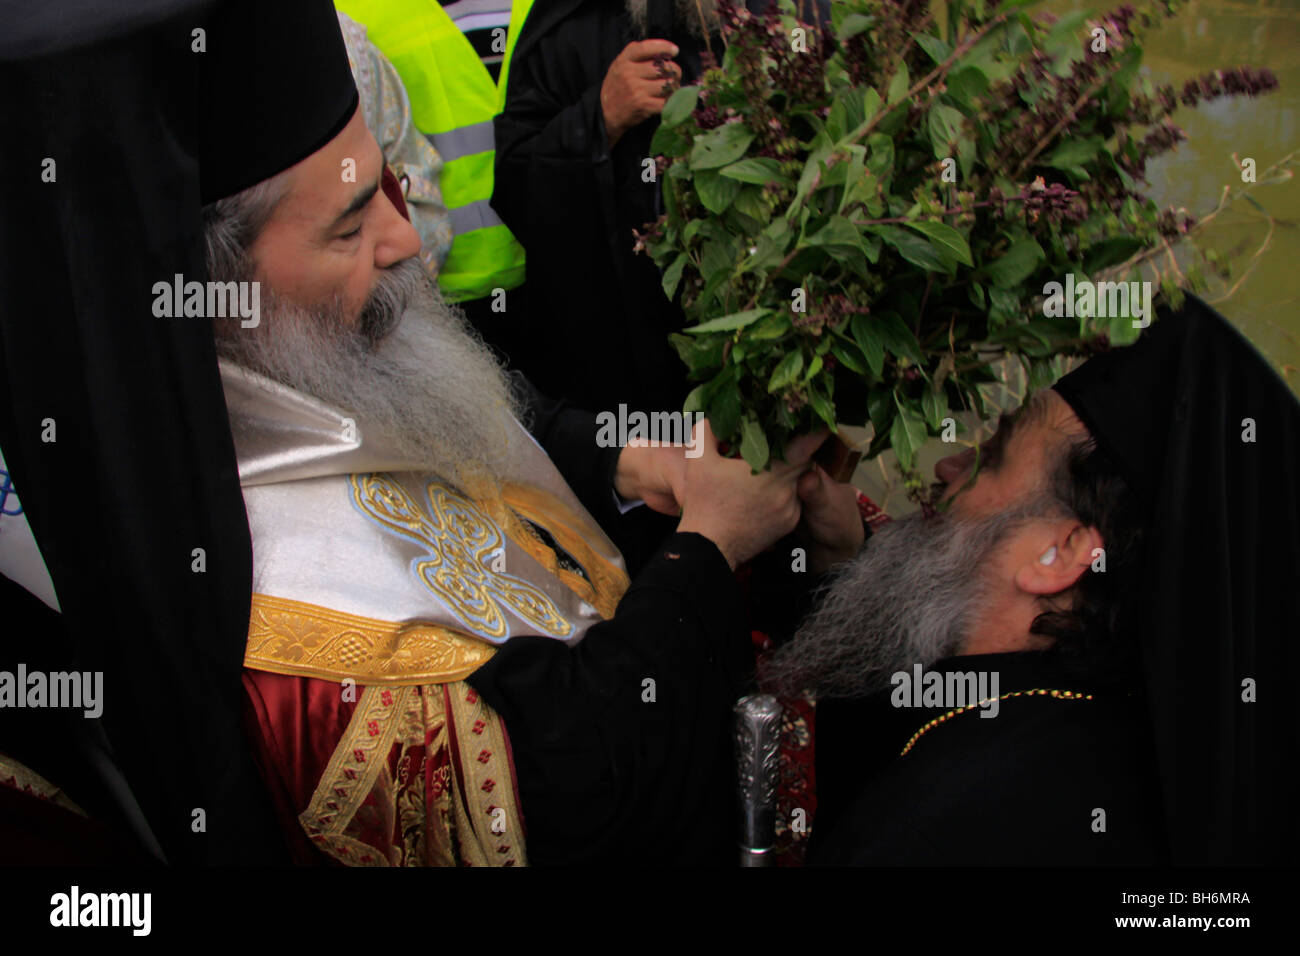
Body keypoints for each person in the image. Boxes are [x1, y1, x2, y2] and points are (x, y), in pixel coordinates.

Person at [765, 295, 1299, 865]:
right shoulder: (1080, 708)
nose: (948, 468)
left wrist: (701, 548)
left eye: (991, 458)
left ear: (1060, 554)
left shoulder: (936, 828)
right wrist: (838, 561)